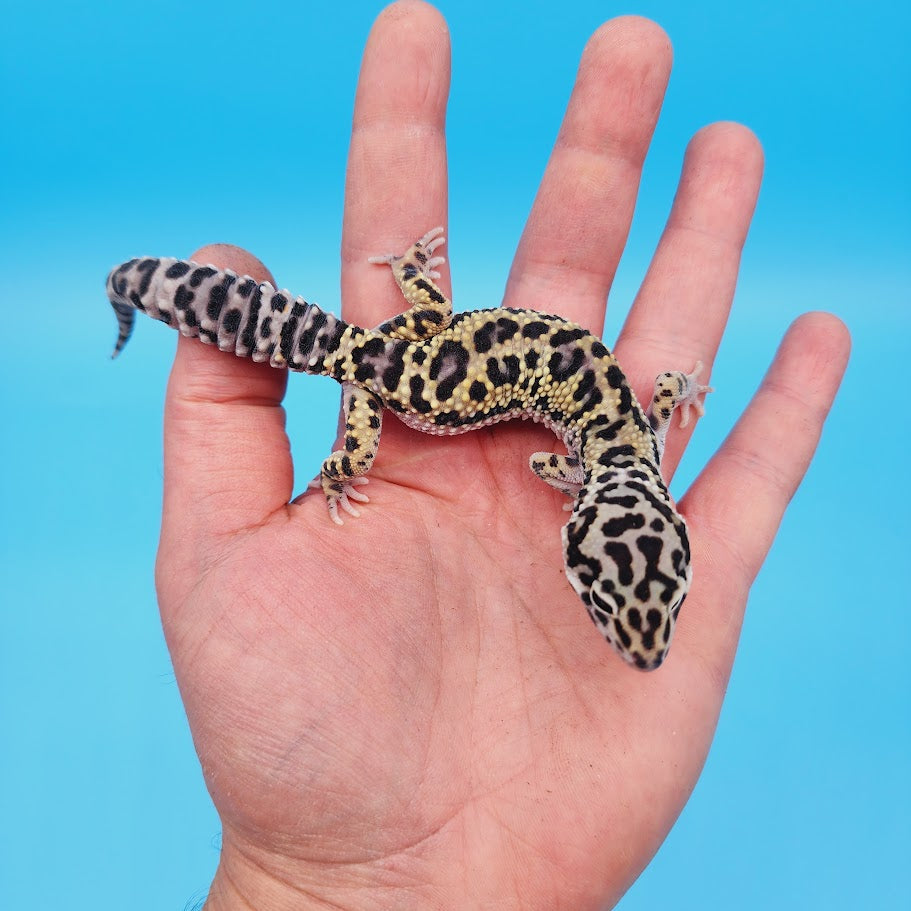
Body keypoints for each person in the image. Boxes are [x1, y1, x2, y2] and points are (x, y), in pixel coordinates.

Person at [156, 3, 849, 908]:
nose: (635, 632)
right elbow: (551, 464)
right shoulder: (607, 460)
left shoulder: (629, 440)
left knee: (388, 343)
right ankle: (162, 296)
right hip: (409, 388)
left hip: (437, 336)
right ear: (640, 533)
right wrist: (342, 464)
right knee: (364, 401)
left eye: (628, 603)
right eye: (624, 600)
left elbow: (587, 443)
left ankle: (199, 291)